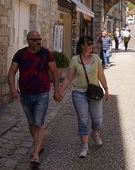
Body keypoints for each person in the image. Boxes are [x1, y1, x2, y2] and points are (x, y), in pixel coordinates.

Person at [8, 31, 61, 167]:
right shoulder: (20, 54)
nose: (38, 42)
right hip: (25, 94)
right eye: (35, 39)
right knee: (31, 123)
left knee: (38, 124)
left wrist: (56, 90)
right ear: (28, 41)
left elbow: (54, 71)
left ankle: (35, 154)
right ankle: (39, 144)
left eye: (40, 39)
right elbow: (12, 72)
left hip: (41, 94)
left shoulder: (45, 53)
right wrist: (13, 89)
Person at [59, 36, 110, 158]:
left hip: (94, 93)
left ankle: (95, 133)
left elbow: (101, 75)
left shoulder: (97, 58)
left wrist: (106, 89)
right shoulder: (75, 59)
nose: (90, 46)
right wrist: (60, 92)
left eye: (91, 43)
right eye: (88, 44)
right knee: (83, 120)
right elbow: (68, 78)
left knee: (97, 119)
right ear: (82, 45)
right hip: (79, 93)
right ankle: (85, 146)